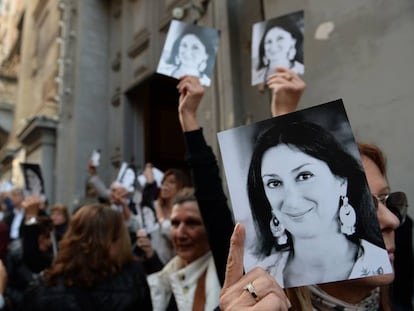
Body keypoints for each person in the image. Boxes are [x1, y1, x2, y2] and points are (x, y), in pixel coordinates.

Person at [177, 71, 405, 310]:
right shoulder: (255, 291)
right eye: (274, 183)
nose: (392, 221)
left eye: (385, 200)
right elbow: (213, 207)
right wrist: (189, 118)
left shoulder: (394, 279)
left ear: (342, 183)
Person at [22, 203, 152, 311]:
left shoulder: (50, 282)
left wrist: (31, 218)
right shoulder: (133, 278)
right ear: (119, 240)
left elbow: (33, 259)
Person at [147, 187, 221, 311]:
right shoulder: (166, 276)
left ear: (210, 228)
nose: (180, 234)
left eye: (192, 223)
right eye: (175, 223)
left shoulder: (220, 279)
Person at [253, 14, 304, 85]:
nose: (273, 47)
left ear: (293, 41)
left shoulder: (301, 71)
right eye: (269, 42)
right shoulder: (257, 77)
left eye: (280, 38)